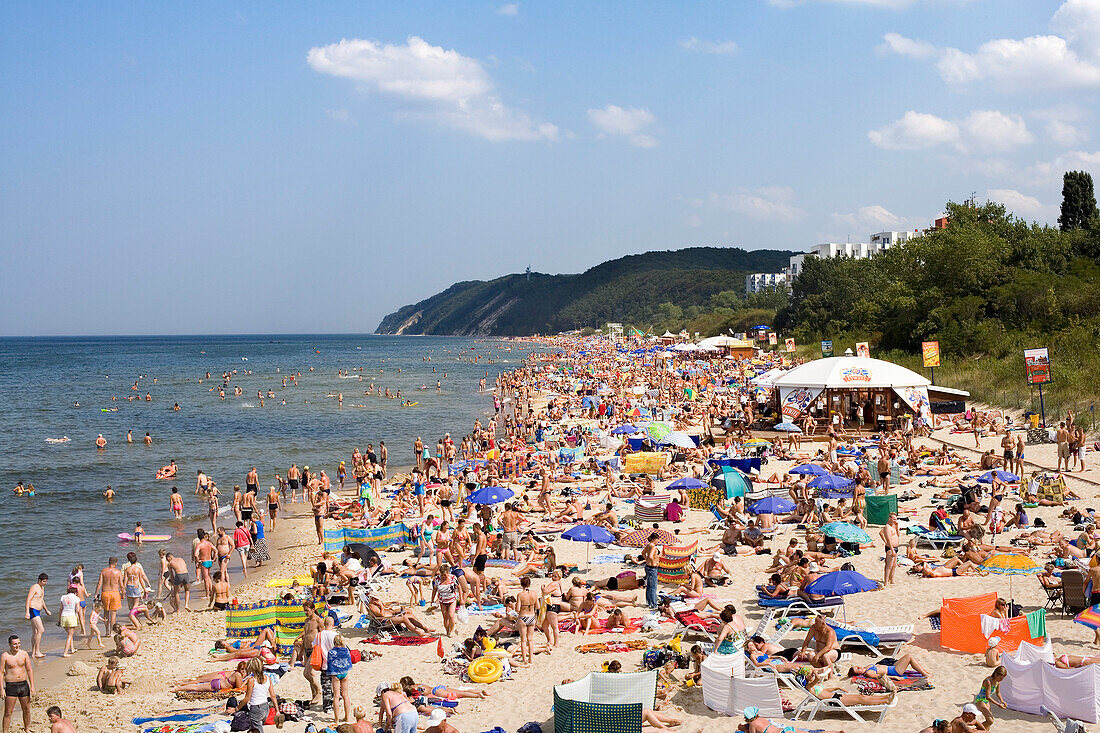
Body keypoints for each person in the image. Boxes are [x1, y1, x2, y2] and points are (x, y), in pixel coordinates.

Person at [1, 636, 34, 733]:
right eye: (15, 644)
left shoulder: (24, 654)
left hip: (23, 685)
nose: (17, 645)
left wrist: (32, 685)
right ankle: (5, 731)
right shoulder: (5, 656)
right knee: (8, 712)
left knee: (27, 709)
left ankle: (27, 729)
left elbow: (29, 670)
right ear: (10, 644)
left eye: (19, 643)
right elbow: (1, 673)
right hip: (11, 686)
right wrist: (1, 689)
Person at [242, 657, 278, 732]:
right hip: (265, 707)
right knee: (253, 729)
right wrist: (277, 710)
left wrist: (236, 708)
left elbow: (247, 698)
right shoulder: (268, 678)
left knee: (257, 730)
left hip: (256, 708)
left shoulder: (252, 680)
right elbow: (273, 696)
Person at [327, 634, 354, 724]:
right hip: (344, 673)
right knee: (346, 695)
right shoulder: (346, 650)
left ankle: (337, 719)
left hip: (335, 674)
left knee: (336, 696)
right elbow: (349, 662)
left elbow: (330, 664)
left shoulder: (331, 652)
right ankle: (347, 717)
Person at [24, 575, 49, 660]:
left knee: (35, 631)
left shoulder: (42, 588)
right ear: (39, 580)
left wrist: (46, 610)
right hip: (33, 610)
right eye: (43, 581)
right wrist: (27, 612)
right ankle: (37, 651)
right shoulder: (34, 587)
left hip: (38, 611)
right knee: (41, 630)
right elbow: (28, 599)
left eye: (46, 581)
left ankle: (33, 653)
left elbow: (41, 599)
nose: (45, 583)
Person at [95, 558, 123, 631]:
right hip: (115, 593)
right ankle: (112, 632)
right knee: (113, 614)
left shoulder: (103, 571)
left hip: (105, 593)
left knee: (106, 613)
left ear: (109, 562)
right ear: (116, 563)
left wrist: (96, 593)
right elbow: (121, 585)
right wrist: (123, 593)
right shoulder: (118, 572)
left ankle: (107, 631)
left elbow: (99, 583)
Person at [58, 585, 81, 657]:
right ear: (75, 592)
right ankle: (65, 652)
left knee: (69, 635)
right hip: (71, 616)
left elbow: (61, 609)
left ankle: (72, 648)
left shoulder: (63, 597)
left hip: (64, 616)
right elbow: (77, 610)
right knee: (70, 636)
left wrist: (59, 619)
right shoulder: (76, 598)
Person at [642, 533, 661, 609]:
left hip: (647, 566)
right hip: (652, 568)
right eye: (657, 539)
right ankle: (653, 604)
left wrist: (647, 560)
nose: (657, 541)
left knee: (649, 586)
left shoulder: (648, 545)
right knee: (653, 587)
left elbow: (643, 553)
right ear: (654, 539)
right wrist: (654, 562)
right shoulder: (653, 546)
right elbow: (650, 556)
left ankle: (649, 602)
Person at [880, 513, 900, 586]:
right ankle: (885, 582)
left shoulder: (894, 526)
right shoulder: (887, 527)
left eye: (896, 519)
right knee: (889, 565)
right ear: (890, 518)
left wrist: (897, 526)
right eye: (894, 519)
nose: (895, 520)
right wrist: (892, 549)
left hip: (895, 547)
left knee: (894, 565)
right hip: (890, 548)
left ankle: (891, 580)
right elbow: (888, 539)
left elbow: (898, 535)